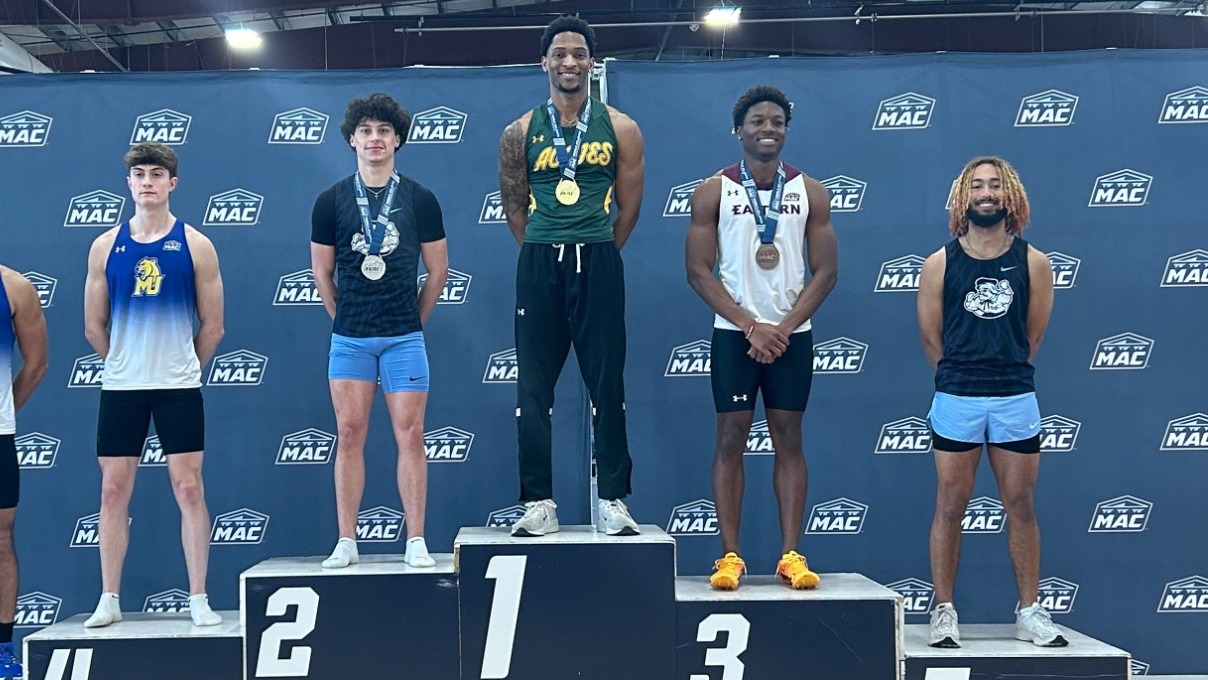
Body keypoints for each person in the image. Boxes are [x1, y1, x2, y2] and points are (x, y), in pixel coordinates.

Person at [497, 15, 645, 537]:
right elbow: (515, 208)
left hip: (599, 258)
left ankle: (612, 500)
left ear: (591, 63)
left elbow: (628, 208)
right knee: (533, 389)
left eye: (579, 53)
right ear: (544, 62)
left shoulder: (621, 127)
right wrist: (546, 249)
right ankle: (538, 501)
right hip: (539, 259)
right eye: (559, 53)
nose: (569, 62)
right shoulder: (518, 132)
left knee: (607, 384)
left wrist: (596, 247)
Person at [685, 86, 838, 590]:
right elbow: (698, 272)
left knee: (789, 440)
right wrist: (752, 325)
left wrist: (782, 328)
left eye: (777, 121)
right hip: (736, 335)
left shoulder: (811, 191)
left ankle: (790, 554)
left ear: (786, 130)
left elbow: (826, 272)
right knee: (730, 439)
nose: (767, 128)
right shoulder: (713, 191)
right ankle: (730, 556)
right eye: (757, 121)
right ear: (739, 130)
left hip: (792, 336)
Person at [917, 156, 1062, 648]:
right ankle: (944, 610)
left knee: (1020, 504)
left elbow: (1032, 337)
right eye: (977, 185)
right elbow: (932, 340)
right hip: (957, 395)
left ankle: (1030, 610)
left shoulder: (1034, 262)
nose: (986, 192)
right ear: (964, 196)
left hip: (1014, 396)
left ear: (1009, 196)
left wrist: (1001, 371)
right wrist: (961, 378)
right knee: (951, 504)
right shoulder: (939, 263)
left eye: (995, 185)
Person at [82, 142, 225, 628]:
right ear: (129, 184)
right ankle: (109, 598)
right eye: (139, 174)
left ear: (172, 184)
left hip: (178, 388)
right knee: (111, 492)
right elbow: (93, 327)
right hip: (122, 387)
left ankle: (199, 598)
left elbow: (213, 327)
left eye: (156, 174)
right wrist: (127, 361)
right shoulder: (105, 245)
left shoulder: (197, 244)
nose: (147, 181)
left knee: (188, 489)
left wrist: (181, 364)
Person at [311, 93, 448, 569]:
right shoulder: (330, 200)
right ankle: (346, 540)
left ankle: (415, 540)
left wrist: (413, 321)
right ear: (352, 139)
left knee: (410, 434)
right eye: (366, 131)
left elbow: (438, 272)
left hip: (403, 337)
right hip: (350, 338)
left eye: (384, 131)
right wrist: (344, 318)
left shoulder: (420, 199)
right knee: (348, 434)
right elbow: (321, 273)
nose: (375, 138)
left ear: (398, 140)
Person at [0, 267, 48, 679]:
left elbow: (37, 363)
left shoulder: (15, 287)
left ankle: (2, 647)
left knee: (0, 540)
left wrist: (3, 413)